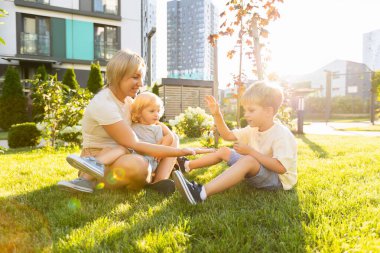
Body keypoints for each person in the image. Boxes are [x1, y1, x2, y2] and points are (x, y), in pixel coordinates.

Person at [57, 49, 198, 194]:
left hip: (124, 154)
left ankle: (158, 183)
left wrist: (167, 134)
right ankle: (89, 177)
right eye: (135, 77)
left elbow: (148, 122)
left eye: (141, 78)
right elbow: (134, 143)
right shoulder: (104, 103)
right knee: (139, 165)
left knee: (172, 138)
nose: (141, 83)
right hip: (100, 158)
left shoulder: (129, 102)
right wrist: (179, 152)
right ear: (118, 75)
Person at [173, 81, 297, 205]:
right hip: (258, 168)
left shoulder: (281, 134)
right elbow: (227, 135)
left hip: (278, 180)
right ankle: (187, 165)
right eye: (245, 110)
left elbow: (281, 168)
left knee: (249, 159)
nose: (246, 115)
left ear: (268, 111)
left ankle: (200, 193)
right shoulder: (253, 128)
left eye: (251, 110)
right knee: (224, 151)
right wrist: (217, 114)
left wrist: (250, 152)